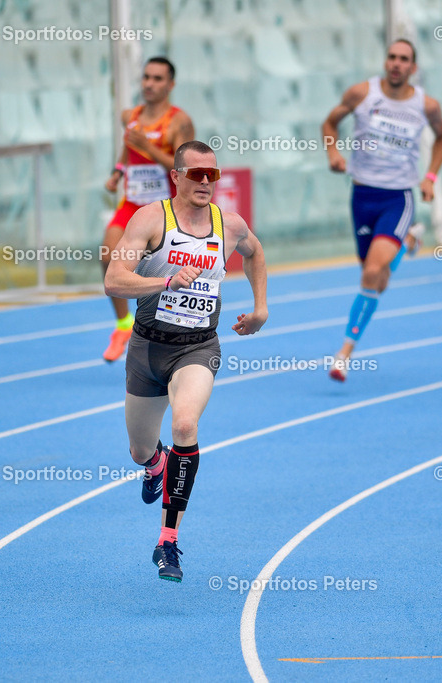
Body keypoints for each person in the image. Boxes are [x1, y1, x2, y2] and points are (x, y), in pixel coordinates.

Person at [104, 140, 268, 582]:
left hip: (197, 348)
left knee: (184, 426)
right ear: (175, 176)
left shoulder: (229, 225)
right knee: (140, 450)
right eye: (195, 174)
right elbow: (113, 281)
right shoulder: (151, 219)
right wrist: (163, 281)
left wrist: (260, 308)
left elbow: (255, 253)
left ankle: (168, 542)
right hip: (146, 348)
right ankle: (155, 464)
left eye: (211, 174)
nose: (205, 182)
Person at [322, 38, 442, 382]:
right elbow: (329, 123)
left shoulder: (427, 105)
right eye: (392, 57)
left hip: (399, 198)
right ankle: (407, 242)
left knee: (370, 274)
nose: (396, 63)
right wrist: (333, 154)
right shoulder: (362, 94)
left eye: (404, 59)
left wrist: (430, 177)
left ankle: (344, 352)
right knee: (378, 280)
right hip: (362, 196)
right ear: (386, 61)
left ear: (413, 67)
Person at [101, 56, 195, 362]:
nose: (149, 84)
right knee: (108, 256)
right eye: (146, 77)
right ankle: (123, 324)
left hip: (164, 207)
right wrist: (117, 171)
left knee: (164, 273)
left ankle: (169, 337)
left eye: (157, 79)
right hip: (132, 202)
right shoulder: (130, 116)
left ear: (170, 84)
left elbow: (185, 166)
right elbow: (127, 149)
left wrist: (149, 146)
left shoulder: (179, 121)